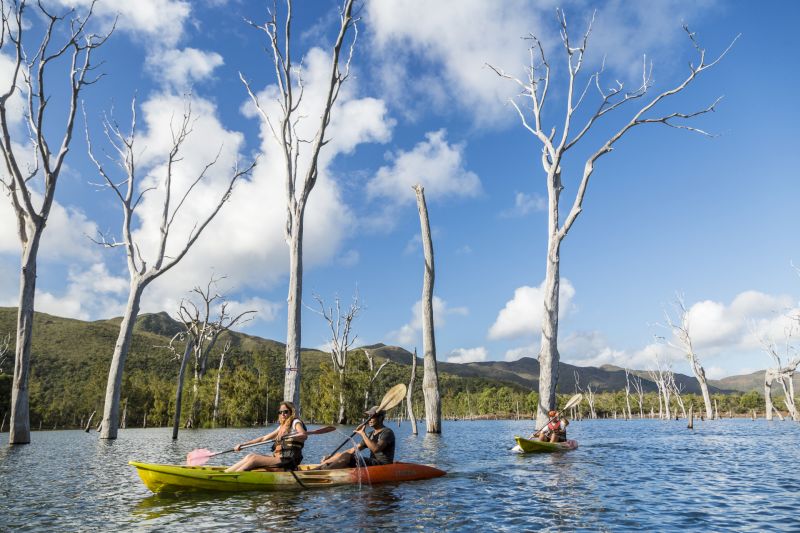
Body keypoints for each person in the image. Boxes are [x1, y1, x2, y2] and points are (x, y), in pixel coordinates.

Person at [225, 401, 307, 472]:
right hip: (280, 461)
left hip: (289, 463)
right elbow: (263, 438)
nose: (282, 414)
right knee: (250, 456)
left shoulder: (295, 422)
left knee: (254, 459)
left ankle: (233, 477)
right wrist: (243, 445)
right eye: (280, 412)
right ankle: (226, 472)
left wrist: (288, 436)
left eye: (285, 412)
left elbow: (303, 435)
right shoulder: (281, 427)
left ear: (291, 412)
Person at [319, 406, 395, 469]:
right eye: (369, 416)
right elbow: (352, 450)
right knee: (340, 454)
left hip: (382, 465)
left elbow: (376, 449)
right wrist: (331, 457)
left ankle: (324, 471)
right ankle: (320, 467)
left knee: (347, 456)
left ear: (380, 418)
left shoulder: (387, 432)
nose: (369, 419)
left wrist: (362, 433)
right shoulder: (370, 434)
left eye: (372, 416)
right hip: (372, 462)